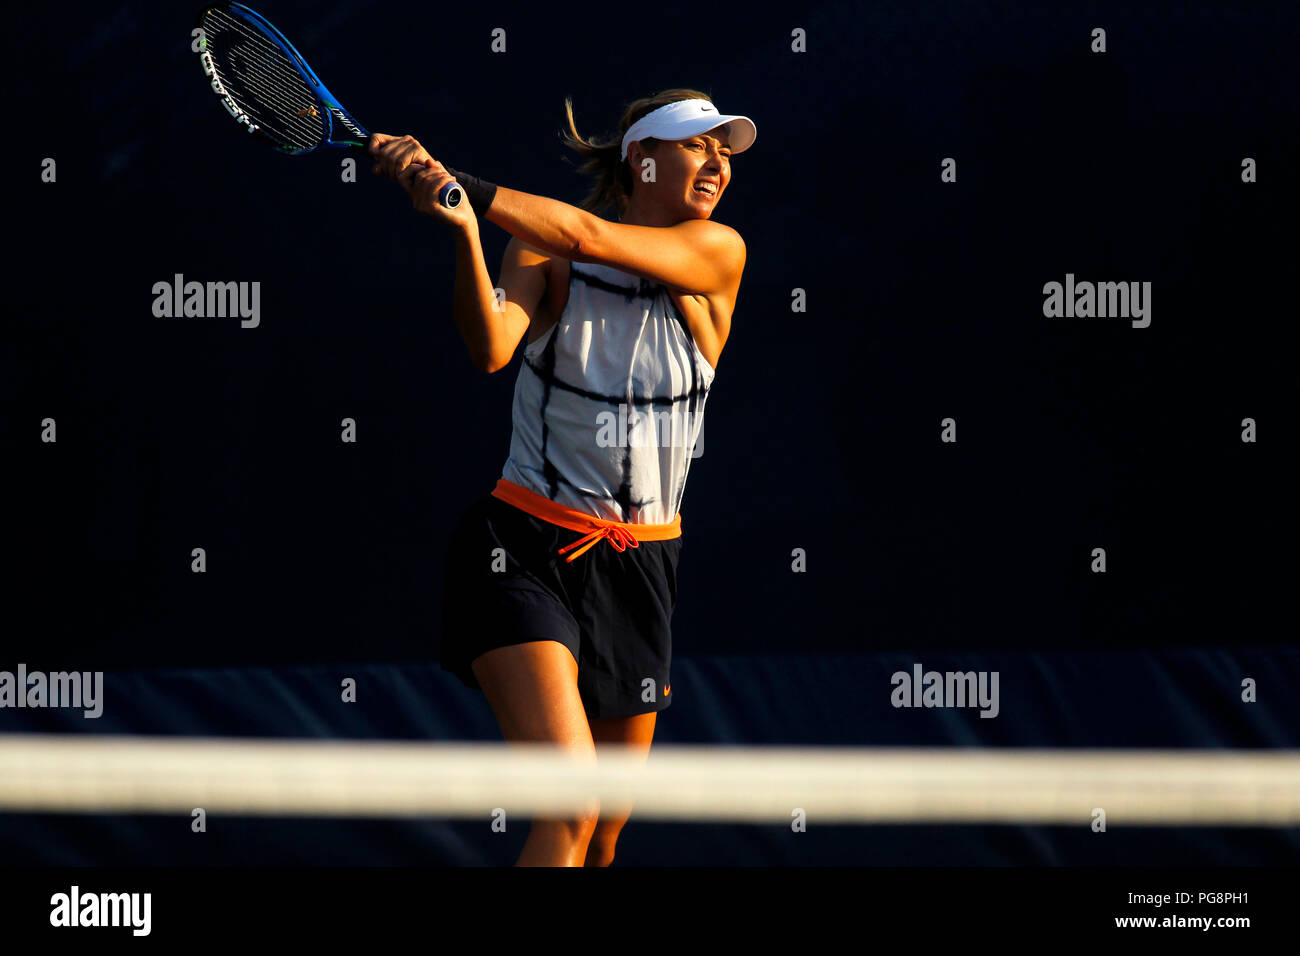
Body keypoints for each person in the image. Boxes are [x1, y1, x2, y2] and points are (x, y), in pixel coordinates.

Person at [369, 89, 755, 866]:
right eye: (697, 145)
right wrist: (465, 232)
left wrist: (462, 182)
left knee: (603, 836)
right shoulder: (541, 253)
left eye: (725, 151)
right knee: (570, 807)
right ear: (642, 159)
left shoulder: (718, 252)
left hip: (641, 566)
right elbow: (491, 347)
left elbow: (587, 232)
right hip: (519, 547)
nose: (717, 162)